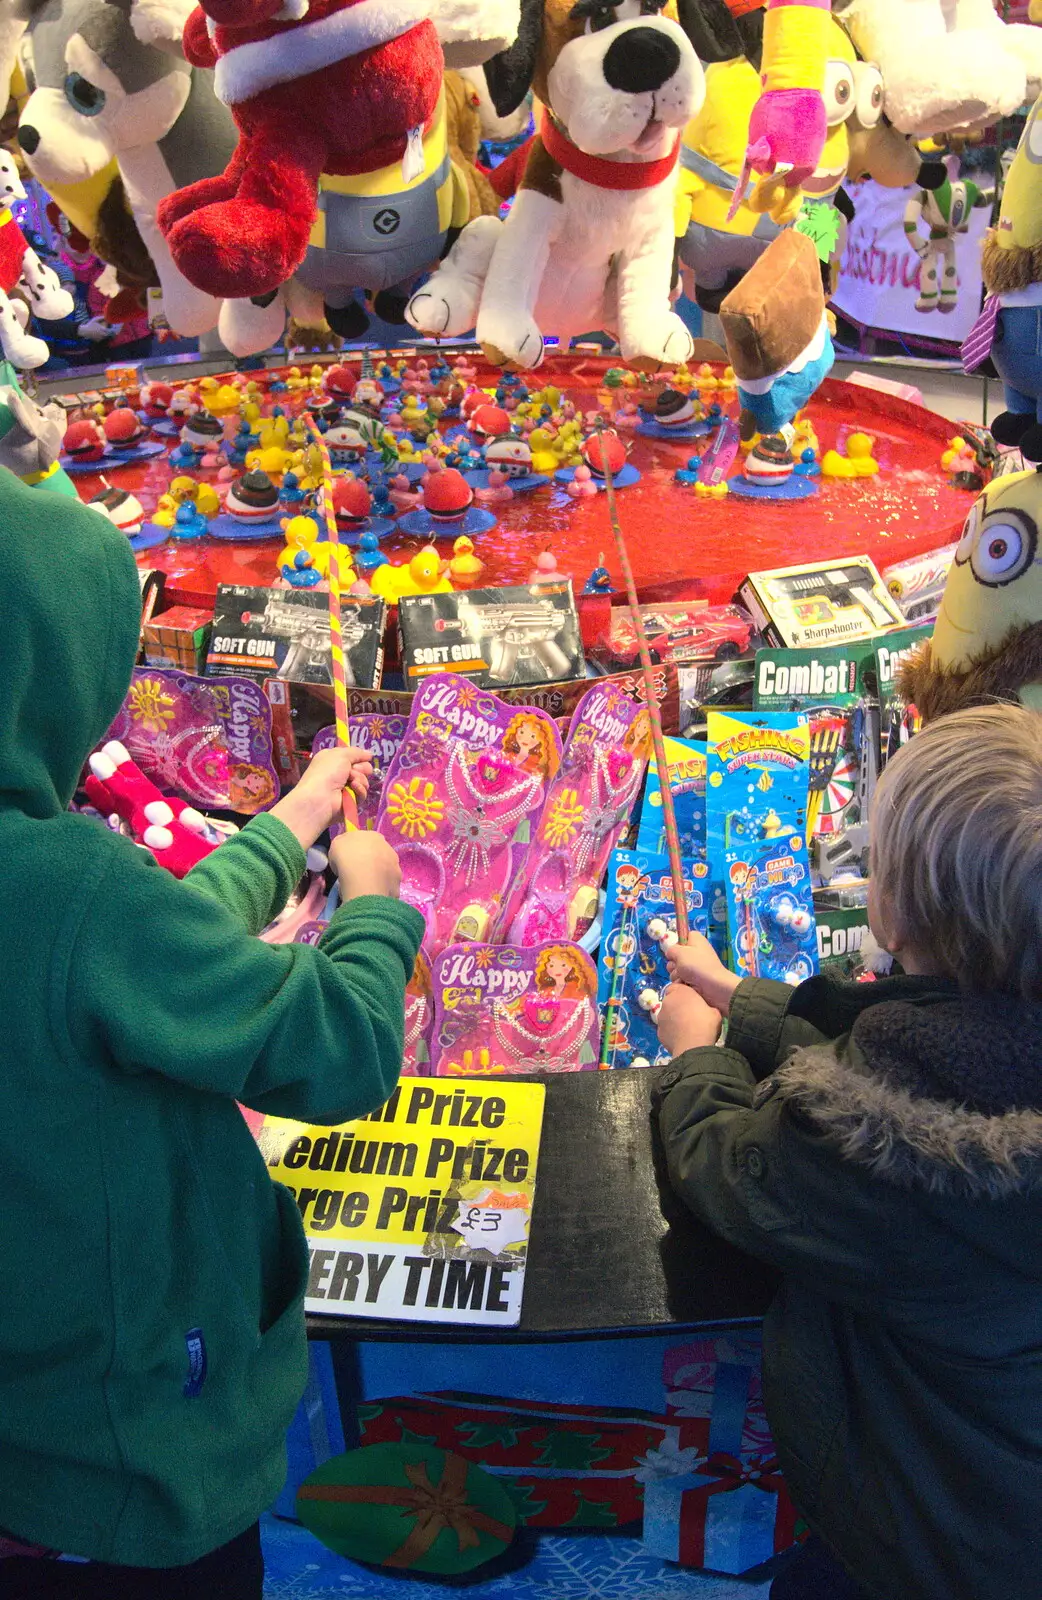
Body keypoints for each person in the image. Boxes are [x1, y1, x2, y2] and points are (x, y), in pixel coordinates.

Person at [0, 471, 424, 1598]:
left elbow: (135, 949)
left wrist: (292, 820)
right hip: (130, 1470)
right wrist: (376, 905)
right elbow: (334, 1048)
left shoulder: (68, 901)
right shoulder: (65, 884)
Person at [653, 703, 1042, 1600]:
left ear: (894, 909)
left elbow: (734, 1171)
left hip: (938, 1536)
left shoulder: (886, 1138)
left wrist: (696, 1054)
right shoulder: (999, 1007)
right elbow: (937, 1027)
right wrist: (741, 996)